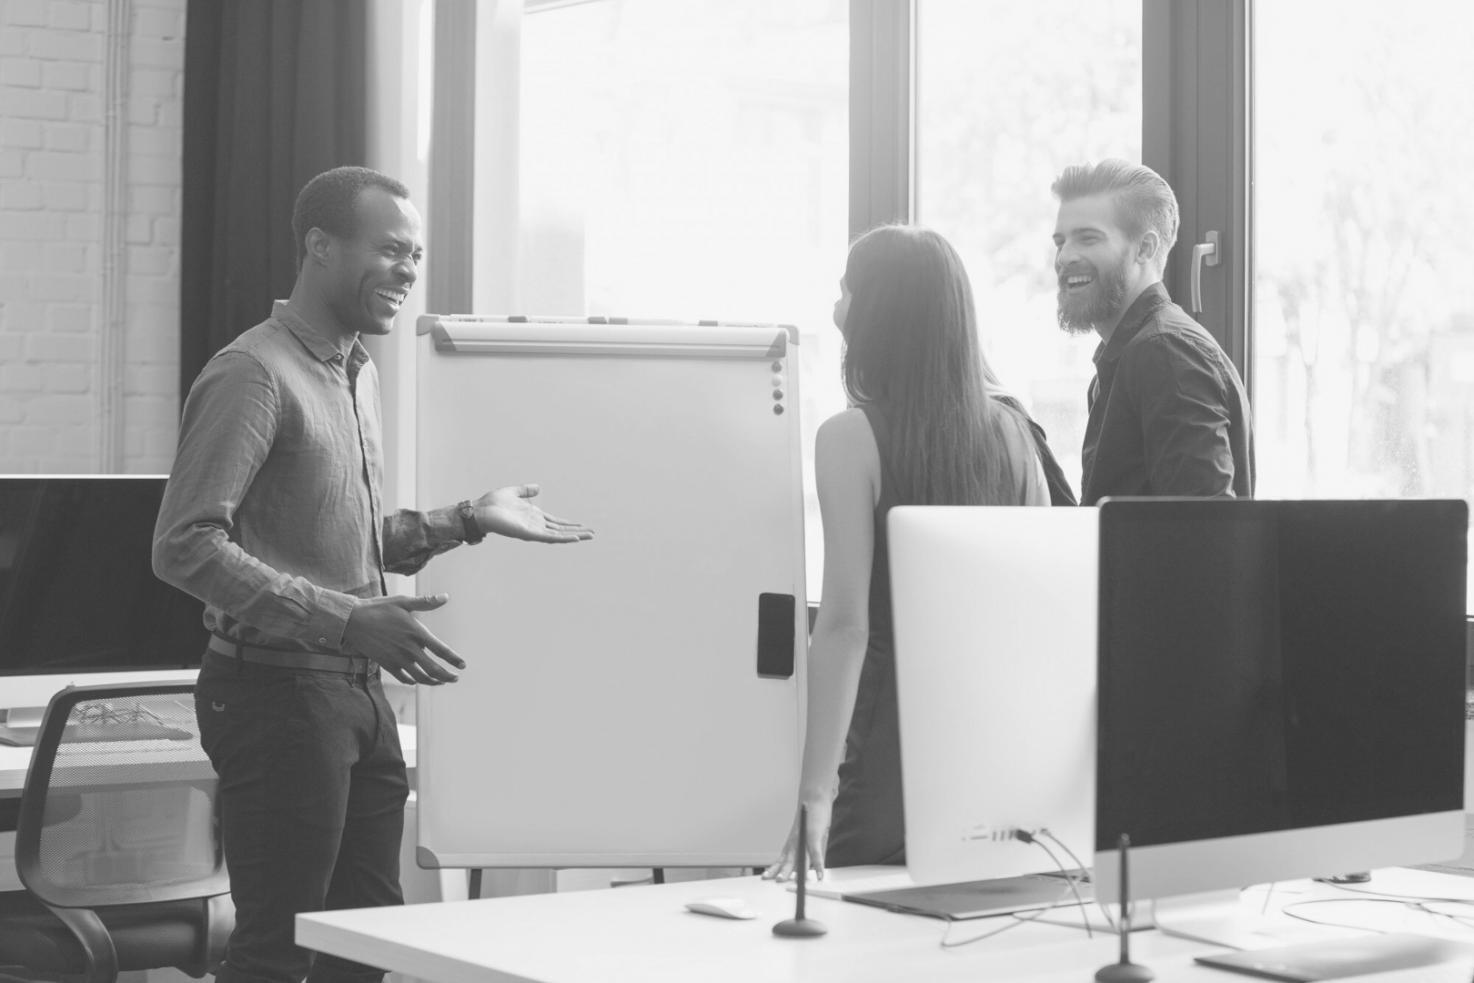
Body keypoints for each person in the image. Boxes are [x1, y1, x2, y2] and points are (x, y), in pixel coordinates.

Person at [153, 165, 593, 983]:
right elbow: (184, 543)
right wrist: (350, 621)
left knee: (365, 948)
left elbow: (335, 538)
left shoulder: (357, 372)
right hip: (276, 695)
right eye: (391, 249)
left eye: (416, 254)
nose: (409, 271)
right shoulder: (253, 374)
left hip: (357, 695)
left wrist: (464, 519)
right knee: (276, 956)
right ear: (320, 247)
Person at [763, 225, 1057, 881]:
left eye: (847, 288)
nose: (837, 304)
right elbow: (1034, 610)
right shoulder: (1014, 432)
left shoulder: (849, 438)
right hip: (991, 759)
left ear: (877, 310)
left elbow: (845, 625)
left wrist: (815, 793)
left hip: (884, 762)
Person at [1052, 158, 1254, 505]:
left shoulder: (1166, 354)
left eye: (1088, 238)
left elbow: (1208, 535)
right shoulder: (1129, 359)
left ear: (1145, 248)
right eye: (1060, 241)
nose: (1065, 256)